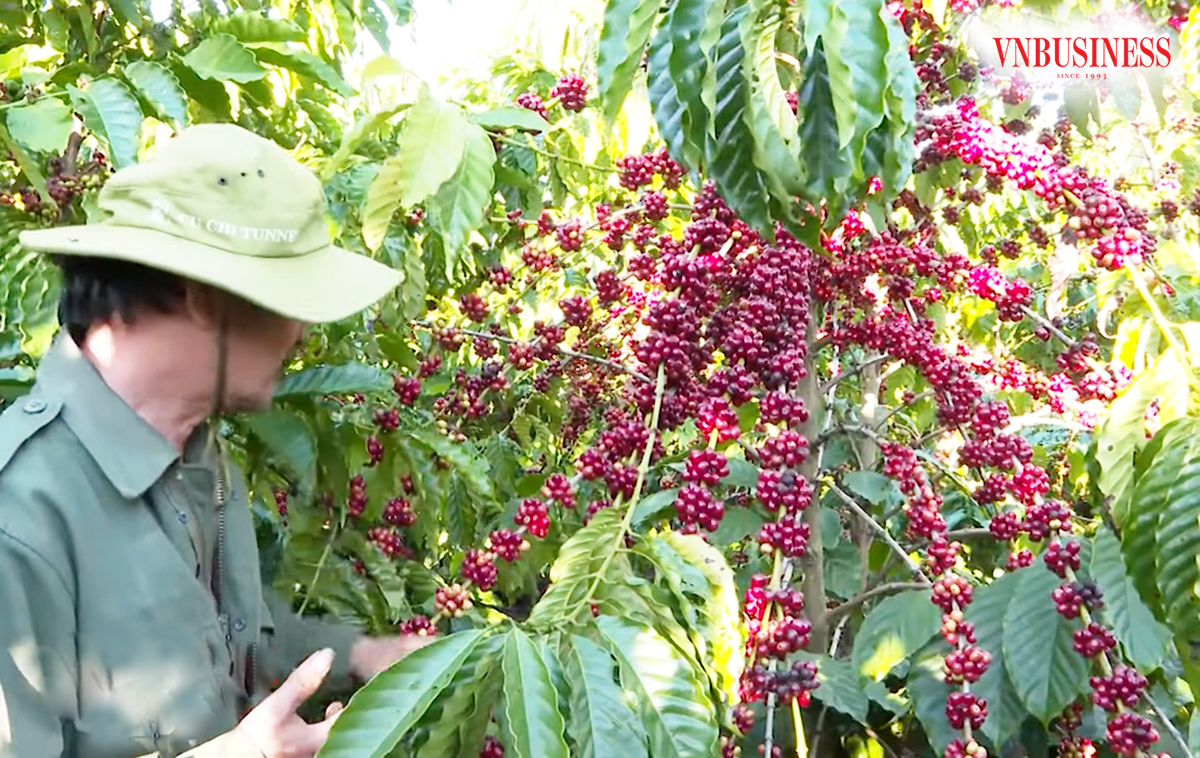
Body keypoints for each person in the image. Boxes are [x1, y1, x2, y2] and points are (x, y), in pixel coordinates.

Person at [0, 124, 430, 757]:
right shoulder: (21, 516)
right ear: (205, 299)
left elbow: (229, 633)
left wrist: (363, 654)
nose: (303, 333)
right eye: (293, 302)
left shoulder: (197, 450)